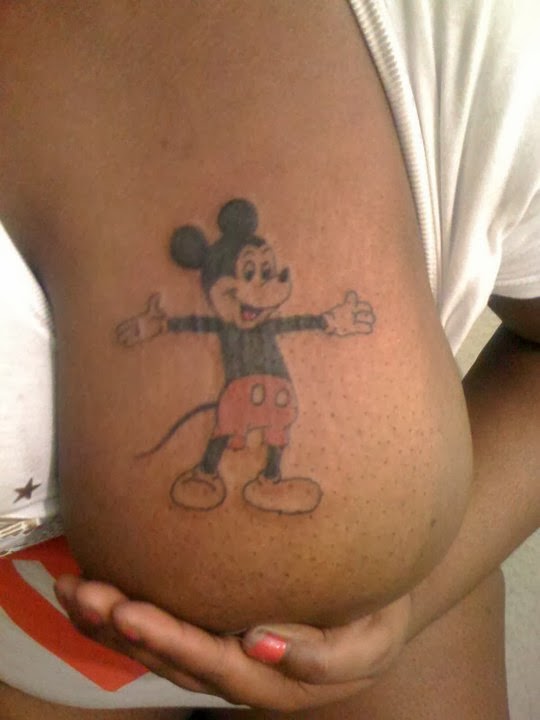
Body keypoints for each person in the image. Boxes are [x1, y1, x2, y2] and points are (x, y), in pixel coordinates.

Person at [0, 1, 538, 718]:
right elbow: (196, 321)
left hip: (409, 627)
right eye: (247, 277)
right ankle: (207, 471)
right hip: (42, 648)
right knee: (227, 431)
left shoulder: (478, 39)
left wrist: (415, 607)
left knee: (270, 435)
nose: (264, 287)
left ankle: (272, 479)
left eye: (268, 273)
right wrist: (163, 323)